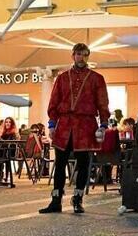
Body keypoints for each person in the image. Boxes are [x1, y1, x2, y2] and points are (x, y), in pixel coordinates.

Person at [39, 43, 110, 215]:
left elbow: (103, 102)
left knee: (84, 164)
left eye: (85, 54)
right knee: (60, 163)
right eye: (78, 54)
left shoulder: (97, 78)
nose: (81, 57)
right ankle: (56, 201)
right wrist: (52, 124)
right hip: (64, 124)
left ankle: (78, 199)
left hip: (85, 124)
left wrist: (103, 125)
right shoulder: (62, 78)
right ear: (73, 55)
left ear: (88, 56)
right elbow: (54, 101)